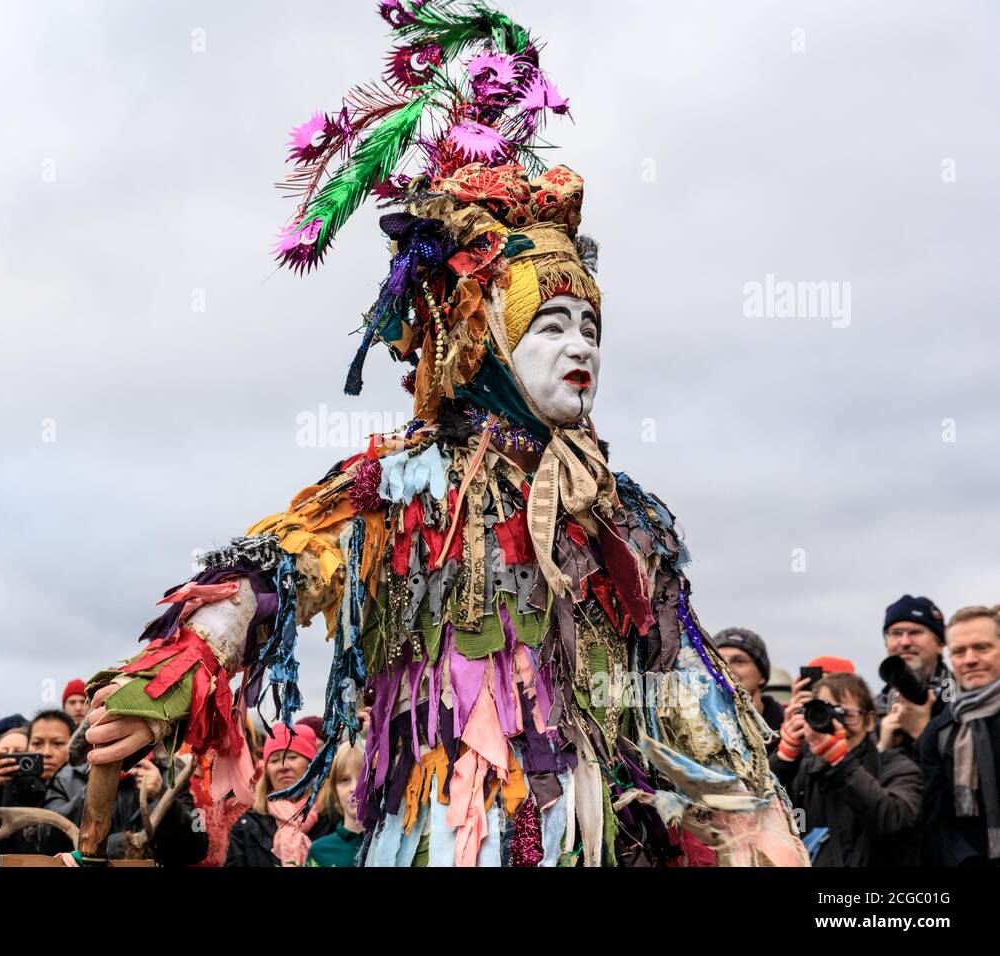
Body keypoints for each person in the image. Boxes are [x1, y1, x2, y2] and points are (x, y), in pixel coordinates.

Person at [74, 1, 807, 868]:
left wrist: (756, 823)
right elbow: (278, 569)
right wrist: (174, 672)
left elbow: (682, 687)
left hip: (590, 840)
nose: (580, 348)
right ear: (478, 344)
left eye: (591, 328)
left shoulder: (623, 517)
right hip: (429, 834)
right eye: (551, 327)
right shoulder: (395, 484)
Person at [771, 672, 920, 866]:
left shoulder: (896, 767)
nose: (836, 724)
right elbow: (754, 820)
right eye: (825, 713)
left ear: (869, 721)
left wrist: (841, 763)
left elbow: (893, 820)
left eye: (846, 715)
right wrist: (782, 762)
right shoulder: (803, 771)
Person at [919, 606, 1000, 866]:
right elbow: (936, 818)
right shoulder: (940, 730)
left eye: (982, 647)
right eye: (959, 651)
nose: (970, 659)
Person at [44, 745, 209, 865]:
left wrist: (162, 792)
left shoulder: (173, 773)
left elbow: (198, 845)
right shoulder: (68, 777)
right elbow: (42, 838)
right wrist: (97, 785)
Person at [0, 710, 75, 865]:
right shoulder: (12, 790)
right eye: (37, 743)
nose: (46, 752)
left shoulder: (85, 785)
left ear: (74, 745)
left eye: (57, 743)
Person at [226, 724, 332, 867]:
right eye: (275, 760)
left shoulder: (333, 818)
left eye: (292, 757)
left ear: (312, 766)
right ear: (267, 772)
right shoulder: (247, 828)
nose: (283, 766)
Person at [877, 595, 952, 759]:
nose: (904, 642)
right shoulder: (874, 708)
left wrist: (922, 733)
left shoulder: (961, 698)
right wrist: (883, 750)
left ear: (940, 644)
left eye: (915, 632)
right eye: (896, 633)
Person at [710, 627, 784, 734]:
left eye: (739, 661)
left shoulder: (790, 729)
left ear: (762, 675)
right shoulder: (692, 728)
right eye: (717, 661)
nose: (726, 669)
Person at [307, 742, 366, 866]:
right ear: (335, 791)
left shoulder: (396, 845)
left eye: (362, 778)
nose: (354, 788)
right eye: (345, 780)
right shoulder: (320, 852)